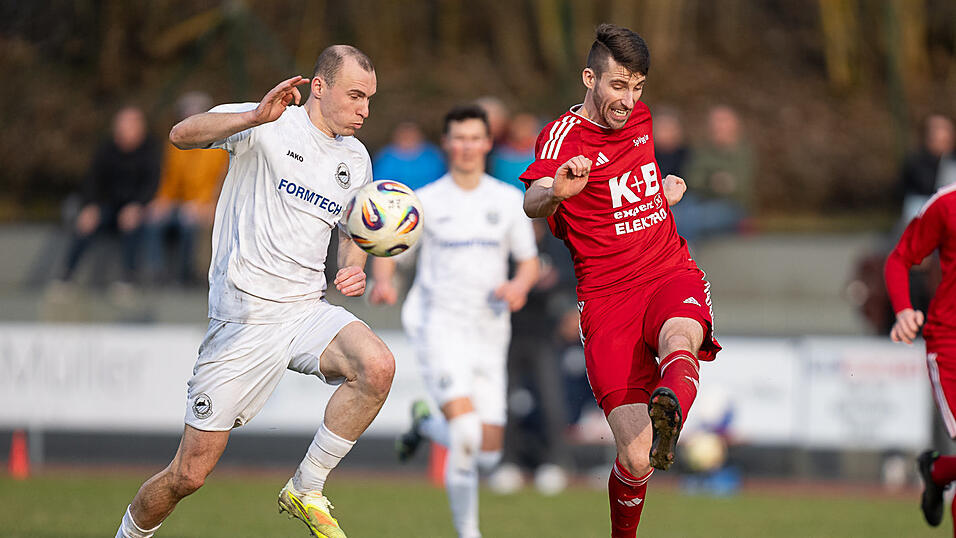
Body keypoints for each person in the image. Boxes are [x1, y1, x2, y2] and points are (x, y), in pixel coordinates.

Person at [113, 45, 395, 538]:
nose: (365, 110)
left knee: (377, 367)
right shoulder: (268, 124)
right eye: (355, 95)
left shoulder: (356, 157)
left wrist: (353, 267)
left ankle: (306, 488)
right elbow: (181, 135)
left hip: (305, 308)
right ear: (320, 86)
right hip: (244, 319)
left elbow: (353, 231)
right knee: (189, 475)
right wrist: (250, 117)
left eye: (369, 98)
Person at [520, 24, 721, 537]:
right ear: (590, 78)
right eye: (617, 86)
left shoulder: (642, 120)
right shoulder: (562, 136)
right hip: (607, 300)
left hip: (666, 269)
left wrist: (661, 194)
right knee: (635, 457)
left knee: (681, 334)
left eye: (638, 87)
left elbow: (631, 183)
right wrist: (559, 191)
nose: (628, 100)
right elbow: (532, 200)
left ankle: (670, 402)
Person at [369, 104, 540, 538]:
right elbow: (391, 246)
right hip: (438, 325)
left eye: (474, 137)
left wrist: (519, 287)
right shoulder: (425, 200)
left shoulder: (506, 200)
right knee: (464, 432)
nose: (466, 146)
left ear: (487, 143)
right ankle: (469, 534)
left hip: (490, 331)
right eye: (458, 138)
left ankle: (426, 423)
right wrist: (384, 281)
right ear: (447, 144)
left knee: (486, 453)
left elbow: (528, 263)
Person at [885, 182, 956, 531]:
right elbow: (901, 257)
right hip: (951, 344)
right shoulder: (946, 204)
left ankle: (939, 470)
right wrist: (903, 311)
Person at [58, 106, 160, 287]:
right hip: (107, 207)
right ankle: (66, 275)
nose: (122, 131)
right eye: (119, 126)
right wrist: (90, 206)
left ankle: (128, 277)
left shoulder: (151, 150)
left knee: (132, 222)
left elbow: (152, 183)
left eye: (127, 126)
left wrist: (138, 205)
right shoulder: (107, 149)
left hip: (137, 208)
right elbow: (92, 180)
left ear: (139, 128)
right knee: (85, 222)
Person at [144, 92, 228, 285]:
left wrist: (208, 206)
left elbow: (222, 181)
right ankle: (156, 274)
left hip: (205, 206)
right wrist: (162, 202)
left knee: (188, 226)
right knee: (154, 222)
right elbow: (170, 181)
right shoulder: (174, 146)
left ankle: (186, 278)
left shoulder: (219, 145)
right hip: (181, 204)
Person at [671, 104, 754, 243]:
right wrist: (713, 181)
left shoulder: (743, 153)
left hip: (732, 207)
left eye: (723, 121)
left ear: (735, 125)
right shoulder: (702, 151)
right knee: (672, 214)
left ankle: (684, 253)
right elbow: (692, 179)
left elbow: (738, 188)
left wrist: (710, 180)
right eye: (715, 122)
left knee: (693, 218)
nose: (718, 126)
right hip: (698, 200)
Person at [899, 114, 956, 224]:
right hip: (924, 206)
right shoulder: (916, 162)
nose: (937, 135)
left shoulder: (953, 160)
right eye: (934, 130)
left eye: (943, 129)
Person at [372, 120, 445, 190]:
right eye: (404, 135)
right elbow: (378, 185)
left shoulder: (432, 157)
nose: (408, 138)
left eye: (411, 135)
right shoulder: (385, 159)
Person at [489, 112, 540, 190]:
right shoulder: (500, 155)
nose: (522, 132)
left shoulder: (541, 155)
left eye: (526, 127)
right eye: (519, 127)